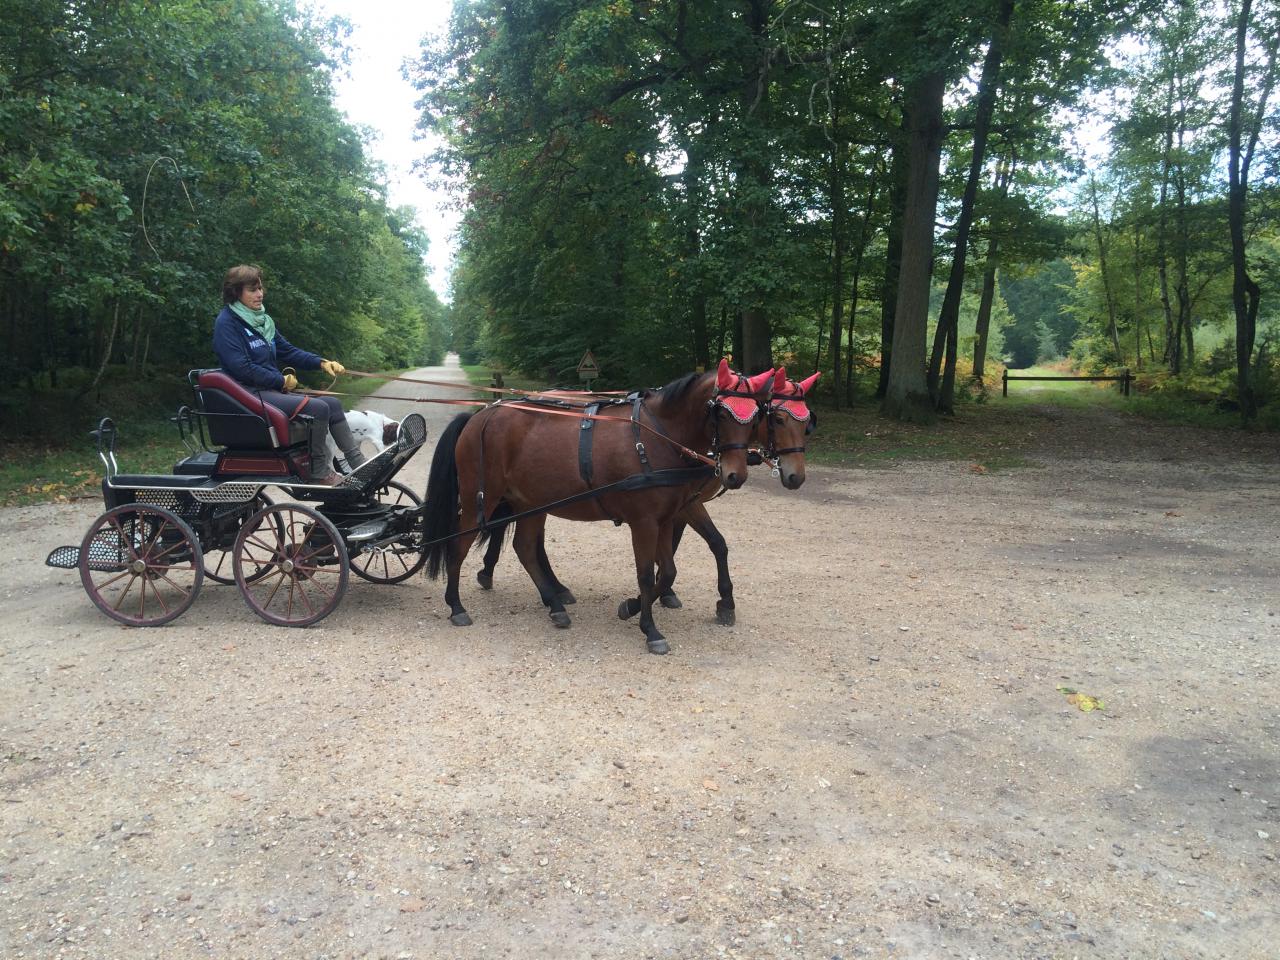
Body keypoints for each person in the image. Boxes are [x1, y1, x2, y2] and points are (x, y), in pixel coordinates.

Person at [212, 264, 365, 483]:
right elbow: (241, 368)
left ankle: (359, 463)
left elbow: (288, 351)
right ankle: (319, 471)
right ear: (236, 292)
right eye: (252, 290)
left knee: (333, 404)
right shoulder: (227, 323)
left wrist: (321, 363)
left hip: (268, 390)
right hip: (247, 395)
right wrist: (280, 379)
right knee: (319, 408)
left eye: (260, 288)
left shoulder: (263, 322)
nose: (260, 294)